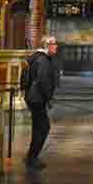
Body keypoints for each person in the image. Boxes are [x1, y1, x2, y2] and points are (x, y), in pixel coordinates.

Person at [22, 35, 62, 170]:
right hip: (38, 98)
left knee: (38, 127)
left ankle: (31, 156)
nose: (56, 46)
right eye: (54, 44)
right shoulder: (43, 60)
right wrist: (49, 97)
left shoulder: (35, 57)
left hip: (33, 97)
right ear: (47, 45)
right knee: (43, 128)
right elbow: (43, 80)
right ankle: (32, 158)